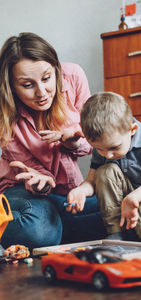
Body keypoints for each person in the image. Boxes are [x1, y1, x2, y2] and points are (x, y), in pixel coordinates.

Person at [0, 32, 106, 251]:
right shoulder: (4, 112)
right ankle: (54, 224)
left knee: (115, 208)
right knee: (37, 230)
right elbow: (26, 169)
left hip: (66, 190)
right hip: (20, 189)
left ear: (56, 69)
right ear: (11, 86)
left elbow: (94, 140)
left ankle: (58, 223)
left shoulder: (73, 76)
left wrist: (73, 142)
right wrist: (42, 181)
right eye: (27, 85)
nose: (42, 93)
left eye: (47, 78)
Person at [66, 91, 141, 243]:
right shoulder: (105, 146)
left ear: (132, 130)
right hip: (125, 196)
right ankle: (115, 231)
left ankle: (137, 227)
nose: (108, 155)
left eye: (114, 147)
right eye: (100, 149)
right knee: (104, 171)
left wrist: (133, 198)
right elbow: (91, 181)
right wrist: (81, 190)